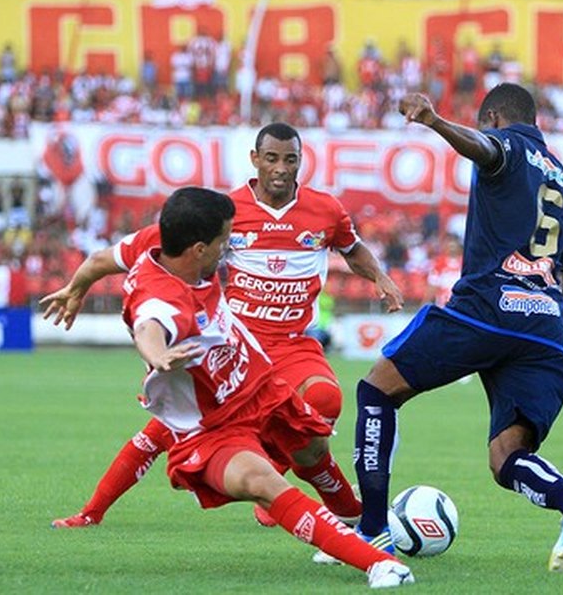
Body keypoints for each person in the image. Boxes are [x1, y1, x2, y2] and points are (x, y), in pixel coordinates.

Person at [45, 123, 402, 532]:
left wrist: (381, 277)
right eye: (272, 158)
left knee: (324, 399)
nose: (281, 168)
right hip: (234, 347)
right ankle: (91, 512)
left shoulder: (326, 210)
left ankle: (285, 483)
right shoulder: (223, 215)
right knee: (160, 432)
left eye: (290, 159)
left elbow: (352, 249)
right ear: (255, 160)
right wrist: (78, 285)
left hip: (293, 345)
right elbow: (135, 251)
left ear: (301, 161)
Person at [352, 84, 563, 574]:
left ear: (492, 116)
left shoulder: (508, 148)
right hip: (545, 334)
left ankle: (371, 530)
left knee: (377, 391)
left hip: (485, 309)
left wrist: (435, 122)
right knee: (506, 457)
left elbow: (486, 149)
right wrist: (541, 303)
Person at [112, 187, 412, 588]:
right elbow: (151, 324)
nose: (229, 251)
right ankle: (377, 562)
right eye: (225, 242)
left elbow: (101, 259)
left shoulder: (168, 248)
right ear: (201, 248)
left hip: (259, 389)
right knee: (264, 484)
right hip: (214, 428)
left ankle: (356, 518)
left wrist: (76, 289)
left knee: (312, 449)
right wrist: (158, 354)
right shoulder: (165, 297)